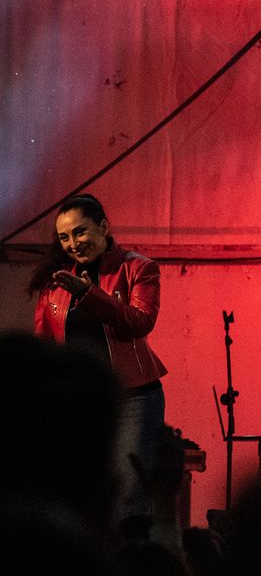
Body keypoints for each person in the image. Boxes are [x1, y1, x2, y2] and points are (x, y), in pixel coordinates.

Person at [30, 193, 168, 521]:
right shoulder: (57, 280)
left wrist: (87, 293)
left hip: (134, 397)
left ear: (104, 227)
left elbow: (138, 322)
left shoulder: (138, 268)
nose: (72, 243)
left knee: (130, 492)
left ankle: (130, 564)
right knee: (81, 488)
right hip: (79, 401)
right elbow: (45, 343)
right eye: (64, 237)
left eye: (80, 232)